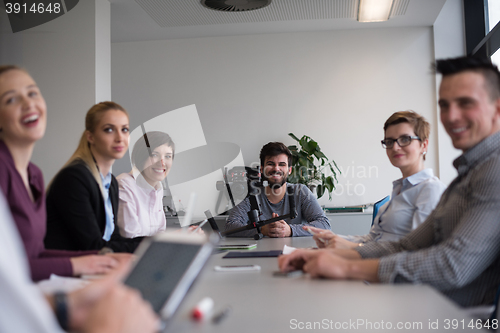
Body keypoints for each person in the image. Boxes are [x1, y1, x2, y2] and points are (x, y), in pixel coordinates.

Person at [278, 56, 500, 308]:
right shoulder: (468, 174)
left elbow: (453, 265)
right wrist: (330, 255)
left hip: (445, 313)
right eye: (444, 105)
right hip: (418, 301)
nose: (451, 116)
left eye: (465, 103)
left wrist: (348, 265)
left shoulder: (492, 170)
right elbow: (406, 244)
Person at [0, 65, 125, 281]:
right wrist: (89, 261)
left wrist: (105, 258)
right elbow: (8, 269)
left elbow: (34, 255)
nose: (29, 103)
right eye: (11, 99)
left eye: (32, 93)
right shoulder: (4, 170)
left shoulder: (33, 174)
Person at [0, 189, 159, 333]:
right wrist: (110, 328)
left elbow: (9, 296)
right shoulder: (74, 178)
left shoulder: (33, 175)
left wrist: (65, 305)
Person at [306, 111, 446, 249]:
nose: (395, 147)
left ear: (424, 145)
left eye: (405, 139)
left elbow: (417, 251)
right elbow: (373, 239)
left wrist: (351, 247)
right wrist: (334, 238)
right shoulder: (400, 189)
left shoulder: (431, 189)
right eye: (389, 141)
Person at [45, 101, 143, 252]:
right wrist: (153, 246)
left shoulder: (111, 183)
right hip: (67, 270)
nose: (119, 138)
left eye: (124, 129)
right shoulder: (74, 179)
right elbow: (93, 246)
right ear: (90, 137)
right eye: (109, 129)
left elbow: (113, 239)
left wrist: (160, 241)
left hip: (96, 265)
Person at [224, 142, 330, 237]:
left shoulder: (301, 191)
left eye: (282, 165)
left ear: (289, 170)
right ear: (261, 169)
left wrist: (290, 230)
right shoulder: (252, 194)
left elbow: (324, 224)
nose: (276, 169)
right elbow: (230, 226)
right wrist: (261, 229)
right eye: (270, 164)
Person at [117, 131, 174, 237]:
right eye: (154, 155)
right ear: (141, 157)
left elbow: (159, 233)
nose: (162, 163)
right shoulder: (124, 185)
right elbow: (130, 238)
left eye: (168, 156)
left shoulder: (158, 188)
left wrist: (182, 236)